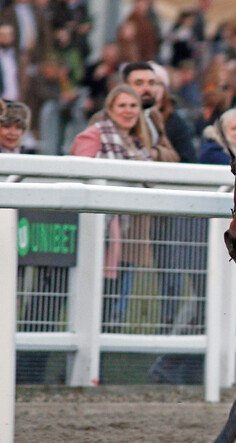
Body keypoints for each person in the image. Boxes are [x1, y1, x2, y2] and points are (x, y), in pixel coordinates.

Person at [70, 85, 154, 331]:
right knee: (91, 294)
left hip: (123, 231)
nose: (128, 111)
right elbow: (79, 173)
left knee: (109, 299)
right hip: (96, 229)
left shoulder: (137, 143)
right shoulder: (95, 134)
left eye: (133, 106)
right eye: (122, 106)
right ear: (110, 109)